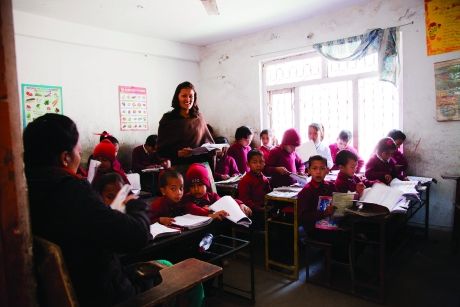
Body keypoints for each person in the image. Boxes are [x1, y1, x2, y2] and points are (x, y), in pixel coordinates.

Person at [23, 113, 152, 306]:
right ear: (65, 158)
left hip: (53, 295)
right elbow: (137, 236)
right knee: (165, 270)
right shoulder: (71, 191)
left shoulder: (21, 190)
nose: (80, 153)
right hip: (101, 296)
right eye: (78, 150)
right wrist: (134, 203)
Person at [297, 155, 348, 260]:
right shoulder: (306, 191)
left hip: (332, 222)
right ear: (309, 171)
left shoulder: (331, 186)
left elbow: (338, 202)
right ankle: (333, 264)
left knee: (352, 232)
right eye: (314, 168)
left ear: (327, 170)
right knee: (342, 238)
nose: (318, 172)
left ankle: (339, 261)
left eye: (322, 168)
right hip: (314, 229)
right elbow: (302, 217)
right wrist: (324, 213)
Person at [157, 81, 214, 166]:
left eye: (191, 96)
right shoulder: (168, 119)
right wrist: (178, 153)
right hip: (178, 167)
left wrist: (217, 149)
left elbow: (209, 144)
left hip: (200, 166)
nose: (188, 99)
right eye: (184, 96)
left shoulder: (199, 117)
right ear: (177, 97)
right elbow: (161, 150)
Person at [182, 163, 251, 218]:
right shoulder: (187, 198)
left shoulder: (212, 196)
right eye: (192, 186)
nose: (196, 189)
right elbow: (192, 208)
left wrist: (240, 204)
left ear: (207, 185)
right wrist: (210, 213)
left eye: (200, 185)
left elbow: (225, 202)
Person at [238, 149, 271, 228]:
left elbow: (269, 194)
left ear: (264, 163)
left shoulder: (265, 179)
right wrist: (260, 209)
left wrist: (269, 206)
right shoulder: (245, 180)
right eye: (254, 162)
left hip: (263, 209)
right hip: (252, 212)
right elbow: (245, 201)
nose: (258, 165)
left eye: (261, 162)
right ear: (248, 164)